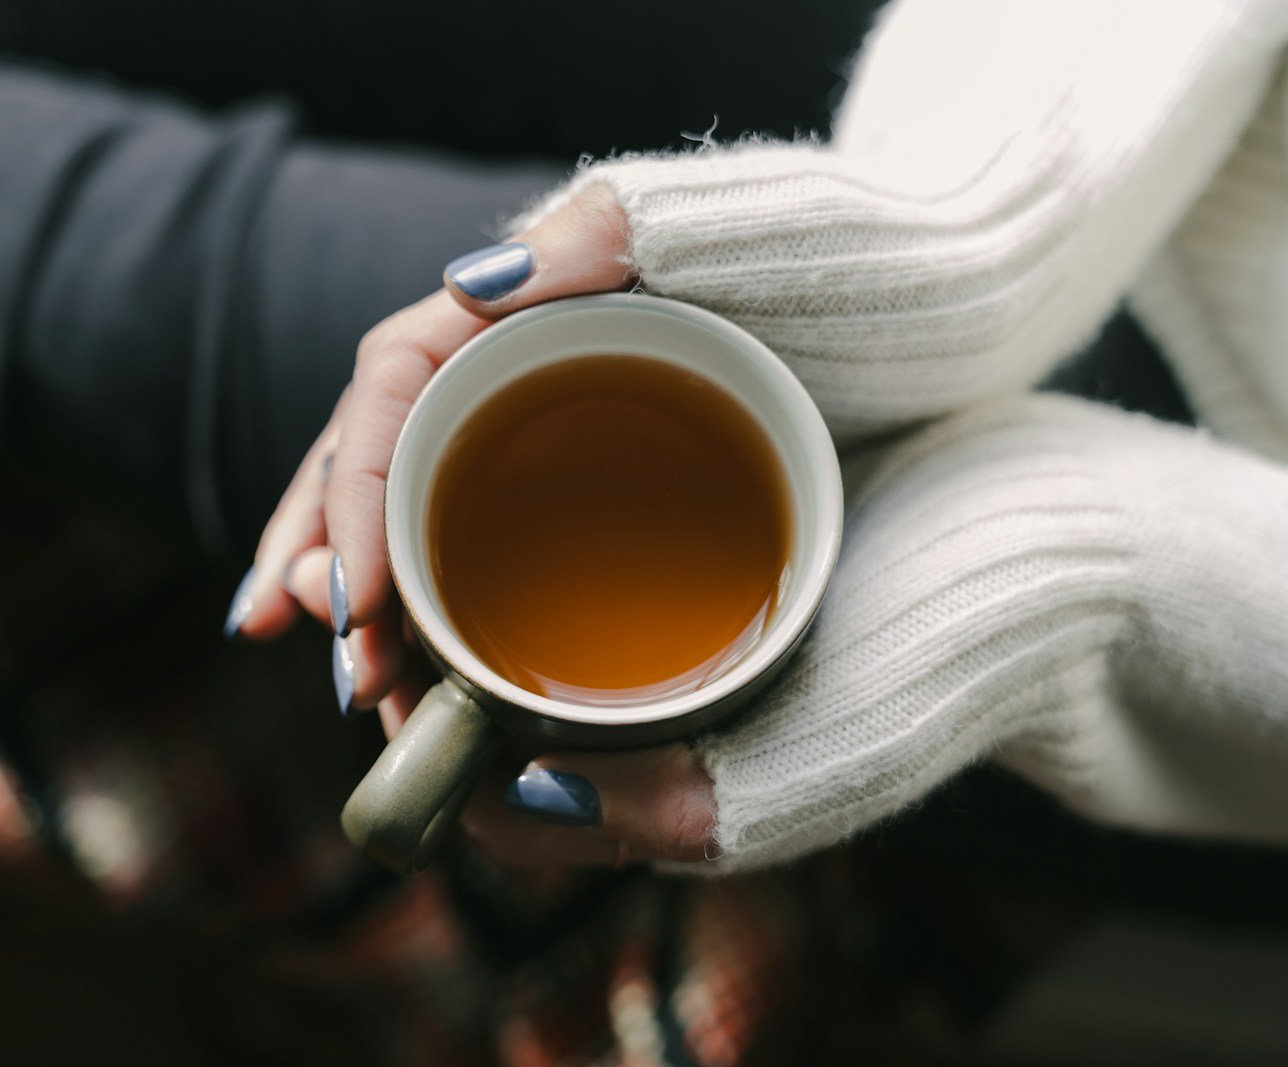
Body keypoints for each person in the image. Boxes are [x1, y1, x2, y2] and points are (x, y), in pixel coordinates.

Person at [232, 0, 1288, 872]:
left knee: (145, 235)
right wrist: (972, 225)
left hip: (1211, 499)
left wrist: (1071, 566)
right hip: (1055, 82)